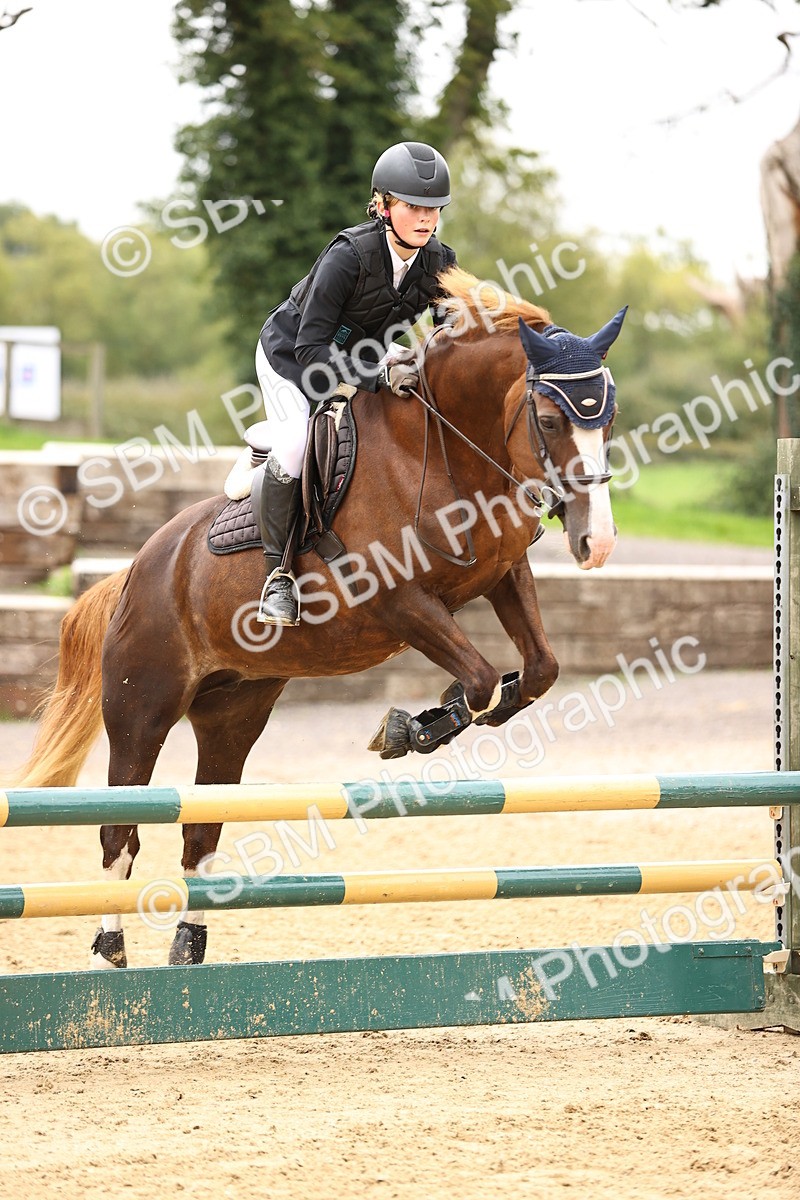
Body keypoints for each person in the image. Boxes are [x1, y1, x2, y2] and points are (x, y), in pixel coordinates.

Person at [254, 140, 457, 626]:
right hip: (292, 356)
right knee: (295, 446)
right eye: (413, 206)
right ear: (384, 205)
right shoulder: (349, 256)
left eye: (434, 208)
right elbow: (311, 348)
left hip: (364, 351)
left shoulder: (438, 260)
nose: (425, 218)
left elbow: (450, 329)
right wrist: (379, 373)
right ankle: (276, 574)